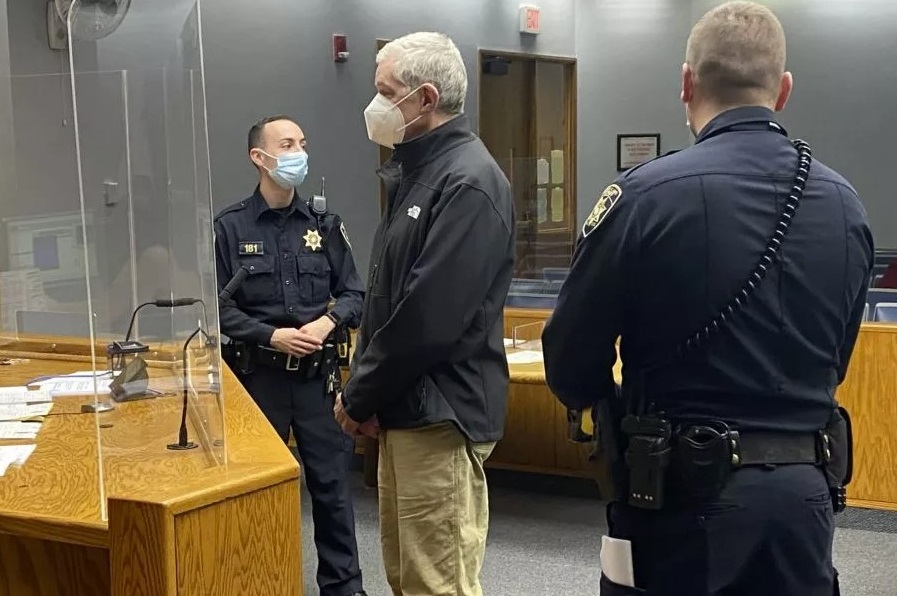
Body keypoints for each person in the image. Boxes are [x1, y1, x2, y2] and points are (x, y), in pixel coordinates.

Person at [542, 3, 873, 595]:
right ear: (784, 90)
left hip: (679, 495)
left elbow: (569, 357)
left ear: (686, 82)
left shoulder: (642, 198)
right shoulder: (845, 205)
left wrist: (620, 416)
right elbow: (837, 357)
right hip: (806, 495)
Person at [332, 32, 516, 596]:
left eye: (385, 92)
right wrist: (368, 394)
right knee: (410, 578)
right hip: (407, 411)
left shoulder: (468, 180)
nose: (375, 105)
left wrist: (358, 395)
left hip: (441, 415)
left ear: (425, 99)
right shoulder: (419, 173)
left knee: (438, 584)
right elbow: (387, 299)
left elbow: (425, 319)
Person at [215, 115, 367, 596]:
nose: (298, 151)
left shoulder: (325, 225)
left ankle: (343, 587)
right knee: (258, 490)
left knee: (333, 491)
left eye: (302, 142)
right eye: (286, 144)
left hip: (317, 381)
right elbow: (216, 309)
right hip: (259, 379)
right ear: (259, 157)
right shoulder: (229, 228)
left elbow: (356, 294)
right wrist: (270, 335)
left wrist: (327, 322)